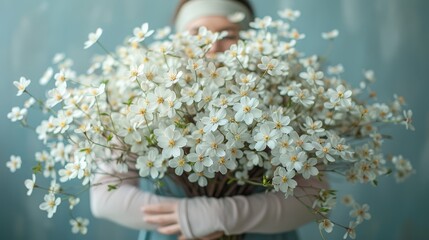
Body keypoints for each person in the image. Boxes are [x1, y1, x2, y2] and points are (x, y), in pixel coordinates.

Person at [90, 1, 328, 239]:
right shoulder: (141, 101)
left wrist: (219, 216)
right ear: (178, 42)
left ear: (248, 42)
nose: (213, 46)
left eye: (229, 35)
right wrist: (186, 216)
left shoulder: (284, 103)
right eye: (197, 33)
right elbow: (104, 198)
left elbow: (316, 198)